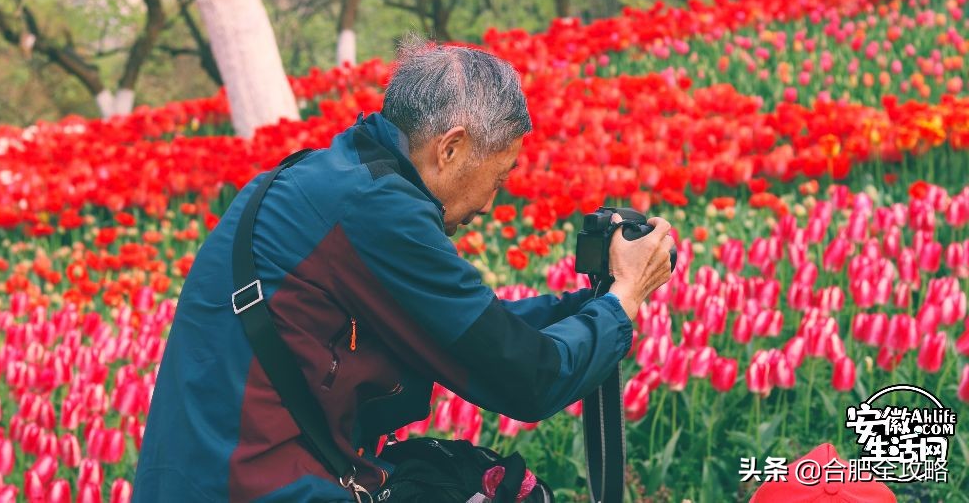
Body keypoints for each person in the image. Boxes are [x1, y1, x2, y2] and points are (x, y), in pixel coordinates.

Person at [132, 40, 675, 502]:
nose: (489, 203)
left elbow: (470, 331)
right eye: (500, 176)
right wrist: (623, 300)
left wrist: (584, 305)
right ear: (452, 148)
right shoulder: (373, 211)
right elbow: (527, 381)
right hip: (254, 486)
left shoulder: (334, 179)